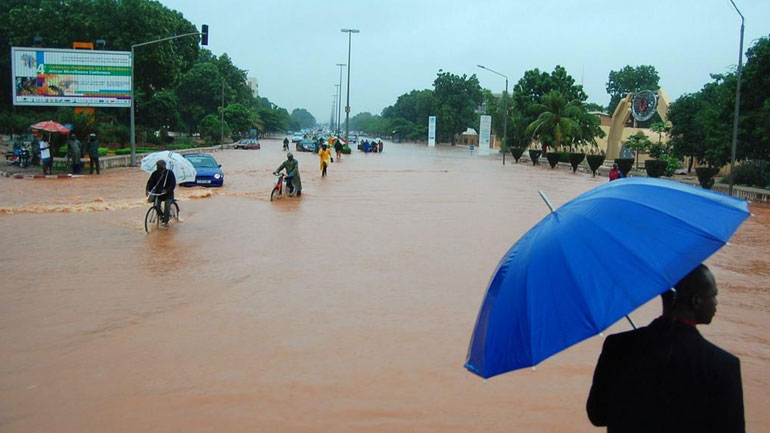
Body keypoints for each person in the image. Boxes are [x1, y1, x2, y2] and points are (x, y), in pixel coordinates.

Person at [586, 264, 744, 433]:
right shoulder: (723, 365)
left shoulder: (618, 346)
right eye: (713, 295)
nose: (716, 302)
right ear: (695, 301)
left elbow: (597, 415)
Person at [145, 160, 176, 225]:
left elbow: (173, 184)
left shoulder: (170, 173)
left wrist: (167, 190)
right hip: (159, 194)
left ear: (162, 166)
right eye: (157, 166)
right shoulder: (154, 173)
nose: (157, 167)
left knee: (167, 206)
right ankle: (161, 215)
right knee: (156, 205)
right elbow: (150, 183)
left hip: (168, 194)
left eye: (158, 166)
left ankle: (166, 220)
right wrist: (147, 190)